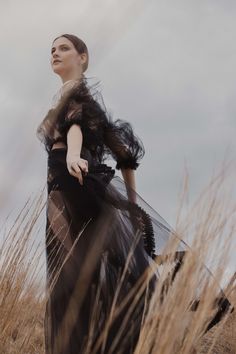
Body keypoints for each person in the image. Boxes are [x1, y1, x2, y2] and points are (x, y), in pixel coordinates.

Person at [37, 34, 232, 354]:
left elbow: (73, 123)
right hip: (80, 185)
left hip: (67, 185)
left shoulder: (72, 91)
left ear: (83, 58)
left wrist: (73, 154)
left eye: (64, 48)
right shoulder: (91, 105)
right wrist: (129, 202)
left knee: (66, 281)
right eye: (52, 50)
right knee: (99, 273)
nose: (55, 53)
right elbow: (125, 155)